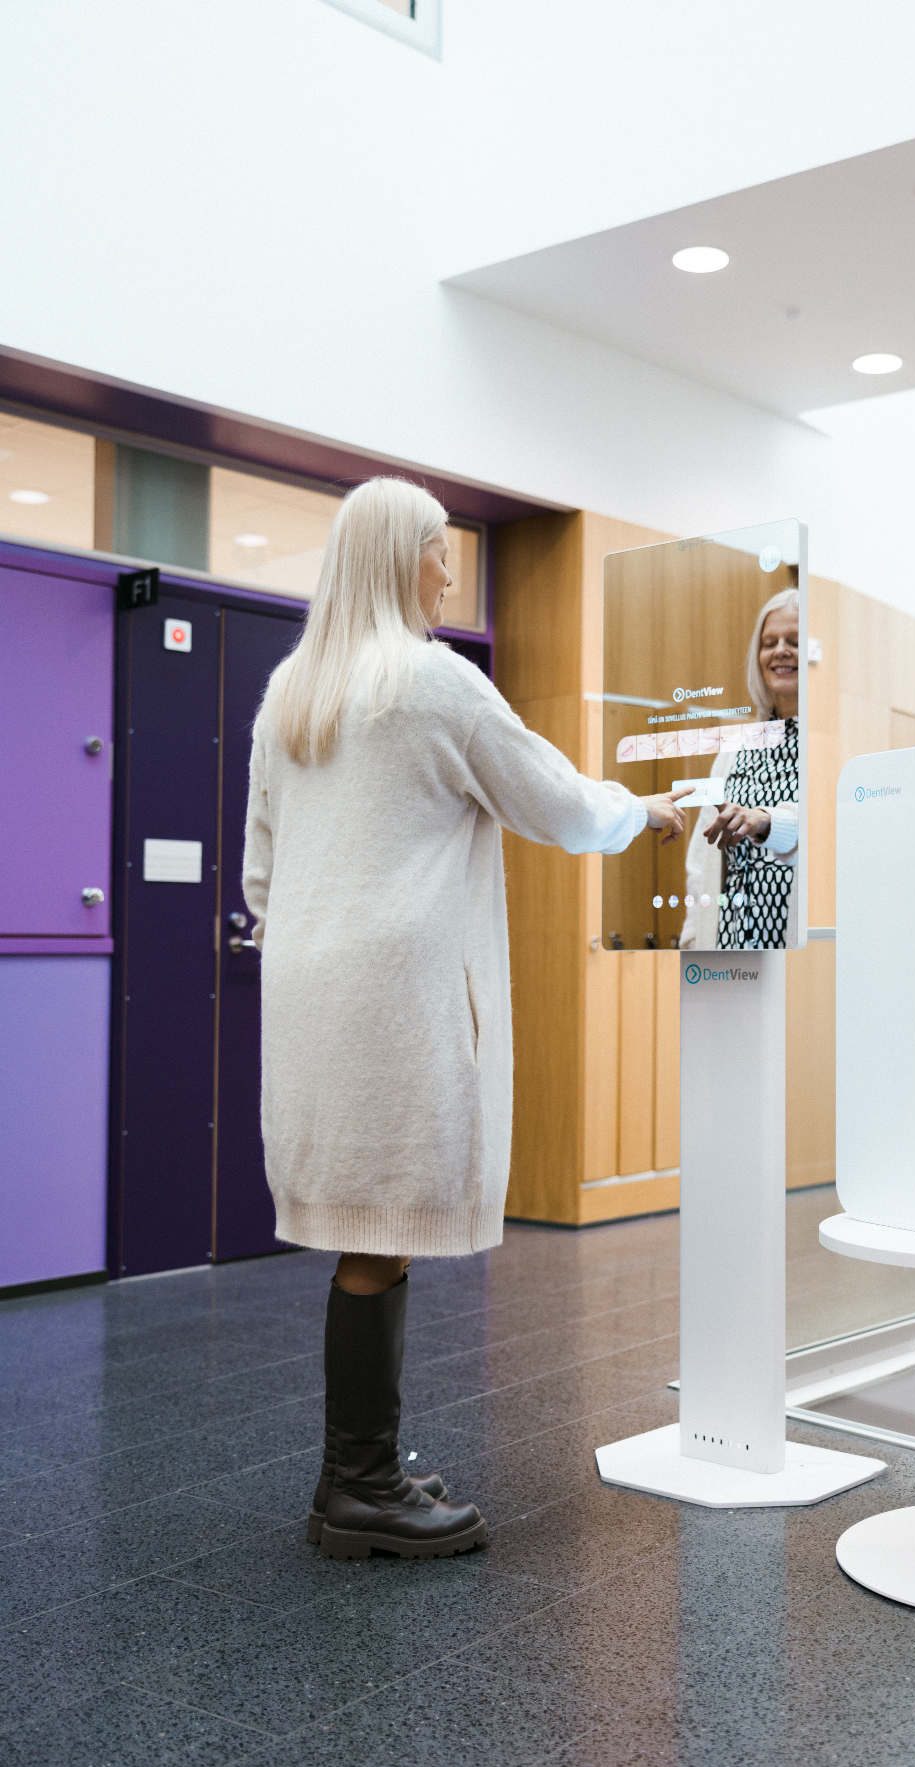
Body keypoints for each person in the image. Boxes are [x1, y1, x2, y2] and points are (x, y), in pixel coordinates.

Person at [243, 478, 687, 1562]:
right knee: (381, 1233)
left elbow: (260, 872)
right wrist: (647, 811)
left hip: (307, 994)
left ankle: (355, 1472)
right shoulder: (434, 683)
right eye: (441, 550)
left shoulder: (292, 690)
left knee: (367, 1227)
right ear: (403, 558)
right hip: (393, 997)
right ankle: (360, 1489)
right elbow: (556, 802)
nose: (451, 571)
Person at [680, 587, 800, 950]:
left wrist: (766, 821)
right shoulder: (736, 748)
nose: (780, 651)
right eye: (769, 642)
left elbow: (818, 832)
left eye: (794, 641)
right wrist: (693, 937)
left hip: (797, 948)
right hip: (728, 946)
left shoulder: (826, 745)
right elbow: (701, 861)